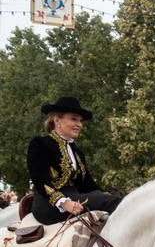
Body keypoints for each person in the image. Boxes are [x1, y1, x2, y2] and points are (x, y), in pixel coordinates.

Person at [27, 96, 122, 225]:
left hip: (75, 198)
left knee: (113, 198)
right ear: (57, 120)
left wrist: (104, 194)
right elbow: (39, 180)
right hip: (48, 204)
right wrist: (63, 202)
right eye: (73, 119)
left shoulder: (77, 152)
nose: (79, 125)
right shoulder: (40, 144)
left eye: (80, 121)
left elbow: (86, 184)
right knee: (112, 202)